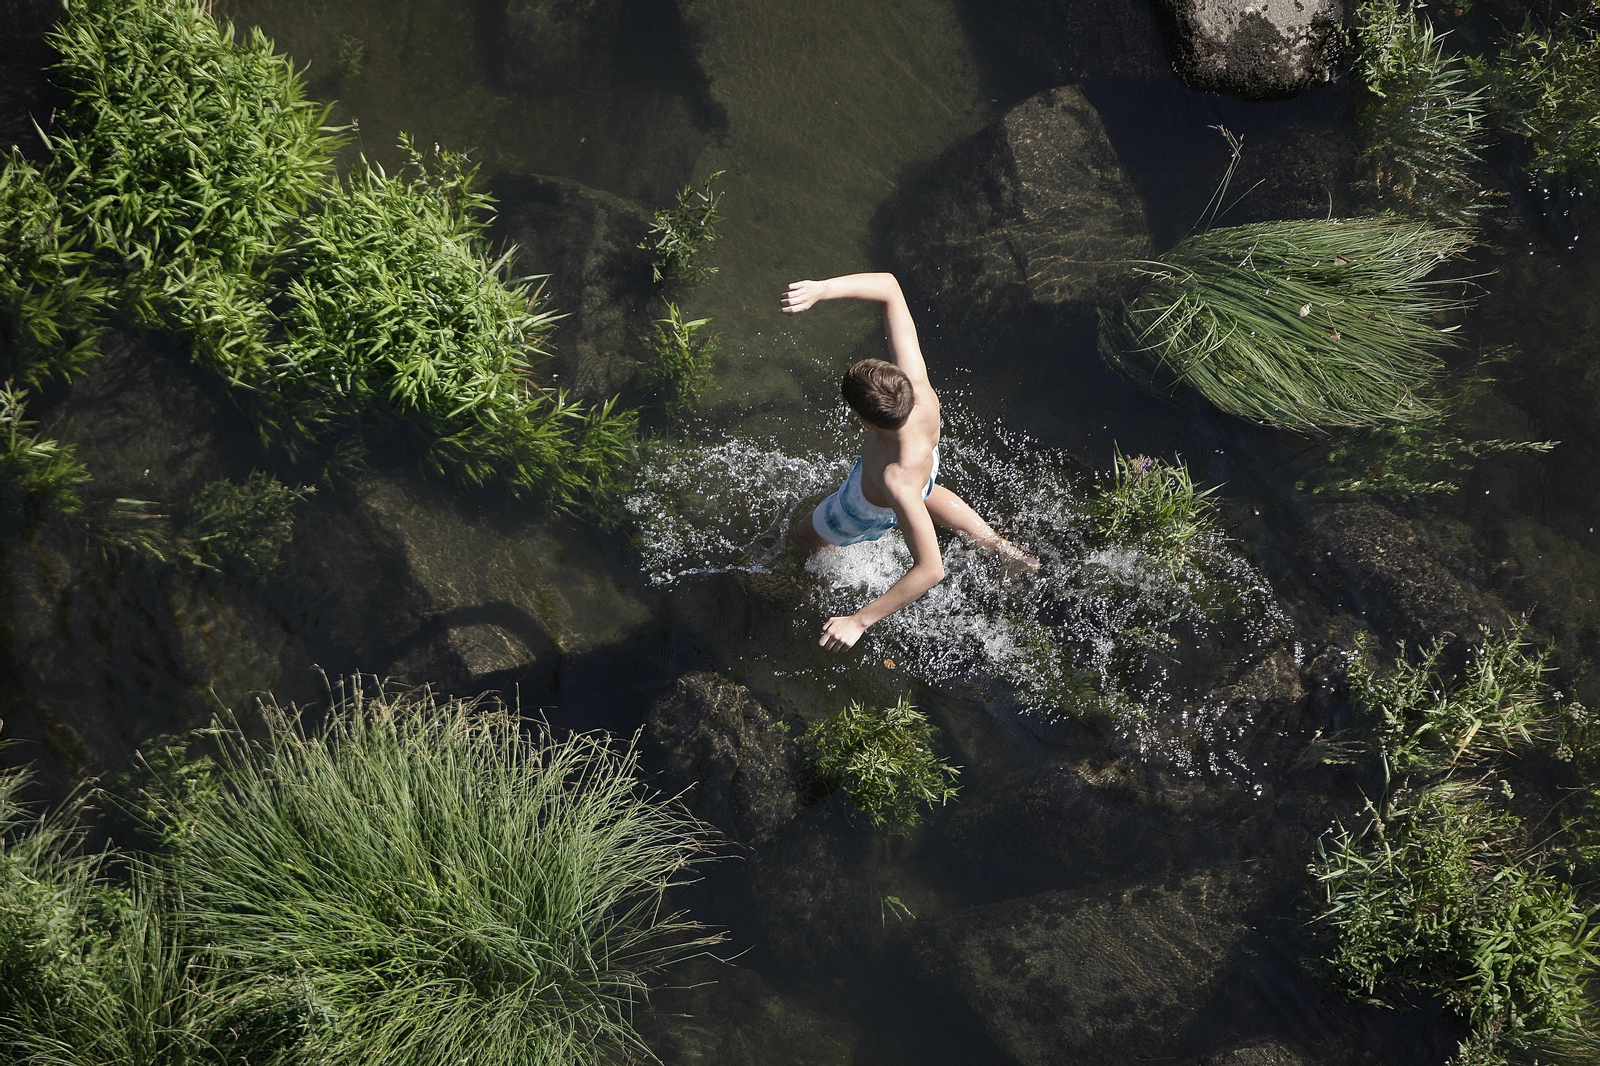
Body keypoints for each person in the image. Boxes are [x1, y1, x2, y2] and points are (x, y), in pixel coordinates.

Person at [782, 272, 1039, 652]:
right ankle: (1004, 551)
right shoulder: (919, 393)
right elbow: (889, 286)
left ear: (866, 421)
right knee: (926, 492)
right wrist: (822, 290)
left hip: (865, 506)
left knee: (802, 536)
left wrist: (860, 620)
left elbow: (931, 569)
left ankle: (820, 586)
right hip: (925, 466)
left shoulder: (894, 477)